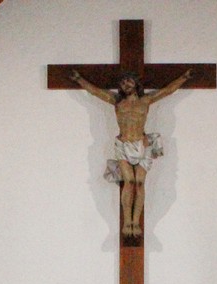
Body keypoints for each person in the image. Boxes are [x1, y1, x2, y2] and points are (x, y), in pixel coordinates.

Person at [69, 68, 194, 237]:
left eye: (128, 80)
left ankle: (136, 222)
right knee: (129, 182)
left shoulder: (146, 100)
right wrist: (79, 79)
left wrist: (184, 77)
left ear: (136, 83)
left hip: (141, 144)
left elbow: (167, 91)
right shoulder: (117, 101)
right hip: (123, 144)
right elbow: (95, 92)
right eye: (122, 82)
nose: (125, 84)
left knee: (140, 183)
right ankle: (127, 222)